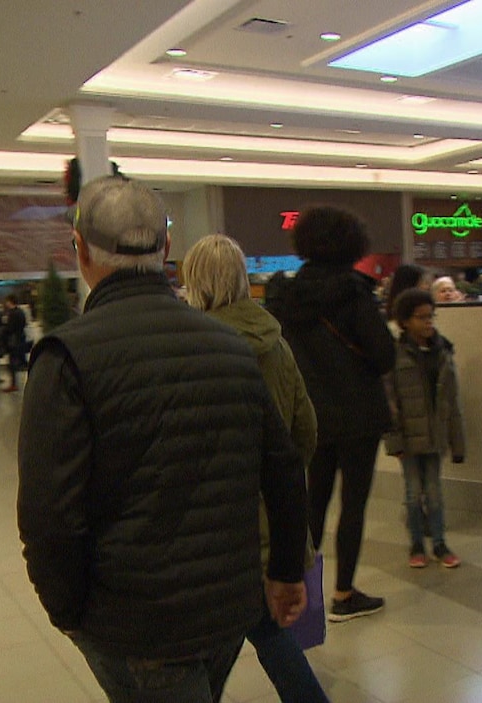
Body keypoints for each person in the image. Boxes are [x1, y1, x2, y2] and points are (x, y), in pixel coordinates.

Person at [17, 177, 309, 703]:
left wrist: (68, 613)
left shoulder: (66, 358)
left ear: (79, 251)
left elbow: (49, 514)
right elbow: (283, 466)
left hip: (133, 621)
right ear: (166, 249)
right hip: (227, 606)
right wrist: (286, 569)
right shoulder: (230, 344)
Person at [181, 234, 329, 703]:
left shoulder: (191, 351)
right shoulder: (276, 345)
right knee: (265, 629)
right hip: (273, 520)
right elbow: (305, 431)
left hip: (217, 528)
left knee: (228, 638)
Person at [275, 205, 395, 623]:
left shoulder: (286, 296)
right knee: (353, 504)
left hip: (312, 415)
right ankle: (344, 592)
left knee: (313, 505)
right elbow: (384, 355)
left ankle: (302, 596)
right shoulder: (353, 293)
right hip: (359, 415)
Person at [383, 288, 466, 569]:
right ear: (404, 321)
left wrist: (458, 444)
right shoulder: (395, 356)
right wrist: (395, 442)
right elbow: (390, 403)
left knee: (434, 492)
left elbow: (452, 403)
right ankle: (416, 543)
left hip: (435, 438)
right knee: (412, 492)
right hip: (408, 440)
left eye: (431, 316)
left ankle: (440, 543)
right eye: (421, 317)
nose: (428, 322)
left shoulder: (443, 353)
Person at [2, 295, 28, 392]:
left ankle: (13, 384)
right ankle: (16, 383)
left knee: (12, 362)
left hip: (13, 341)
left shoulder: (12, 314)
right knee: (19, 360)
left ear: (10, 302)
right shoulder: (21, 312)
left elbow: (9, 328)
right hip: (20, 339)